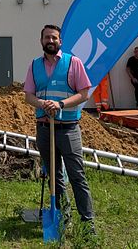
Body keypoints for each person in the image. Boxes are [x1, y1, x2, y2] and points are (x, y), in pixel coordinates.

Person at [24, 24, 95, 233]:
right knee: (54, 175)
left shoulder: (74, 63)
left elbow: (84, 93)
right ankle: (63, 216)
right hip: (45, 128)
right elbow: (28, 96)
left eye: (54, 38)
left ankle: (87, 223)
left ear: (60, 41)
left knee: (76, 175)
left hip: (68, 128)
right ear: (41, 41)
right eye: (47, 38)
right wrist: (42, 104)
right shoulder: (34, 65)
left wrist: (60, 104)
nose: (51, 41)